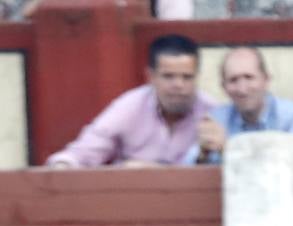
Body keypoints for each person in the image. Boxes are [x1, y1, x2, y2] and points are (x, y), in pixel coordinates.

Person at [46, 34, 214, 169]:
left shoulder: (211, 111)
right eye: (168, 76)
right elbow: (87, 149)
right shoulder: (130, 106)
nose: (178, 85)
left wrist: (153, 171)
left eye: (187, 77)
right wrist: (63, 165)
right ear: (151, 77)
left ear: (197, 77)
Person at [191, 47, 293, 164]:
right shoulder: (217, 119)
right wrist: (202, 156)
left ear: (266, 80)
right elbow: (187, 167)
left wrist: (228, 148)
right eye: (233, 80)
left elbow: (289, 164)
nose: (242, 89)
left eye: (249, 78)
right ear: (223, 87)